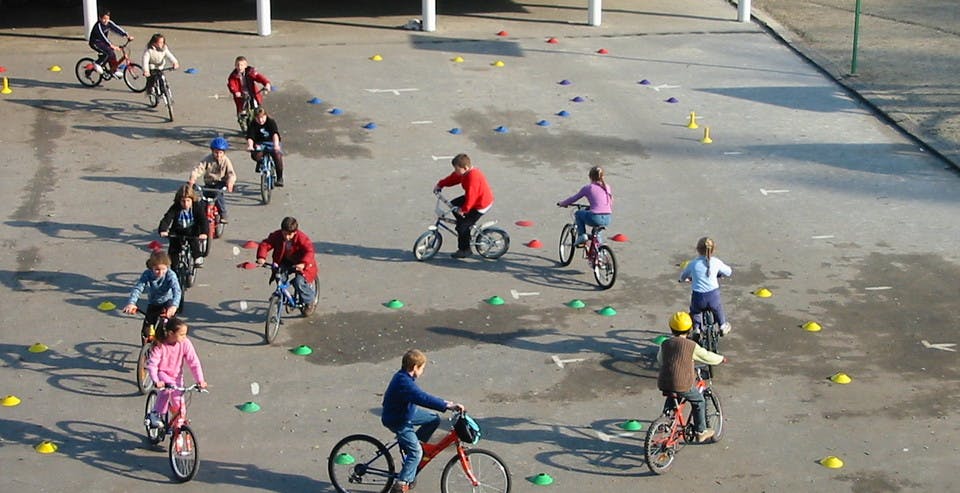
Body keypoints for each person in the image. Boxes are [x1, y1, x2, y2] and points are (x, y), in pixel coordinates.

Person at [381, 349, 465, 493]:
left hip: (407, 412)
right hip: (397, 419)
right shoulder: (404, 383)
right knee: (417, 453)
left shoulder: (405, 377)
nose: (423, 371)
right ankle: (400, 484)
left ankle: (410, 448)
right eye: (422, 368)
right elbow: (422, 398)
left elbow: (421, 397)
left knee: (433, 419)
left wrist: (447, 403)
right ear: (414, 367)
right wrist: (447, 405)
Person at [657, 311, 726, 443]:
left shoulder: (665, 343)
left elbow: (660, 360)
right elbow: (706, 356)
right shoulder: (691, 346)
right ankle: (701, 431)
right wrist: (720, 359)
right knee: (698, 401)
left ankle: (666, 418)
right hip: (682, 384)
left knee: (674, 392)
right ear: (689, 329)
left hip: (664, 381)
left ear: (671, 329)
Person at [145, 317, 207, 428]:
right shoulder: (160, 345)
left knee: (179, 404)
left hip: (177, 376)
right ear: (170, 333)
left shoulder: (185, 343)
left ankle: (177, 427)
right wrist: (156, 380)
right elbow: (152, 365)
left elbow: (194, 362)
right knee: (166, 390)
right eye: (182, 334)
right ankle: (156, 413)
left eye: (185, 334)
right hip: (163, 374)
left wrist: (200, 380)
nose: (185, 337)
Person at [433, 153, 494, 259]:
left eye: (457, 169)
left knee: (462, 227)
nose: (456, 172)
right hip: (474, 199)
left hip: (480, 204)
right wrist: (441, 184)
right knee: (454, 205)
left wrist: (464, 210)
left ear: (465, 168)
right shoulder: (464, 173)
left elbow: (472, 196)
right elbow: (454, 178)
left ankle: (465, 250)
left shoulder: (473, 177)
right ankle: (465, 226)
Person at [255, 217, 318, 315]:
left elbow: (309, 251)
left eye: (290, 234)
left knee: (299, 282)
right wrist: (261, 257)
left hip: (301, 263)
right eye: (285, 234)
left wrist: (303, 263)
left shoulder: (302, 238)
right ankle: (283, 296)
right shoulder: (277, 236)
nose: (287, 237)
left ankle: (310, 302)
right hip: (285, 261)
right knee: (280, 277)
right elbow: (266, 244)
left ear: (295, 232)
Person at [678, 237, 733, 336]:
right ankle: (722, 326)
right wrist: (720, 274)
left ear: (697, 249)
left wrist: (684, 279)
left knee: (695, 311)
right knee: (718, 308)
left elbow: (683, 276)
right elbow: (729, 272)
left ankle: (697, 329)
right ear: (713, 249)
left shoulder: (693, 264)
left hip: (698, 296)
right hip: (713, 296)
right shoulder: (716, 262)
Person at [122, 251, 182, 337]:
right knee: (146, 331)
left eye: (163, 269)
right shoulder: (147, 274)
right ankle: (147, 347)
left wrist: (174, 306)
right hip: (153, 302)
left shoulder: (170, 275)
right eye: (157, 270)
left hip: (168, 301)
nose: (160, 273)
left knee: (169, 330)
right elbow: (138, 288)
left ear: (167, 267)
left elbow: (177, 290)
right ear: (151, 267)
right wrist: (131, 303)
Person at [556, 165, 613, 246]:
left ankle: (582, 235)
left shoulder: (589, 188)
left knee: (578, 213)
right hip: (608, 218)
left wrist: (563, 203)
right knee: (597, 232)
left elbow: (574, 198)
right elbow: (607, 203)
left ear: (590, 177)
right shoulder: (607, 187)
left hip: (595, 217)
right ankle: (599, 251)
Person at [158, 185, 210, 270]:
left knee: (194, 242)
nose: (185, 204)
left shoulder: (197, 207)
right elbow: (167, 218)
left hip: (192, 230)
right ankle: (174, 268)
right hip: (178, 230)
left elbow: (203, 220)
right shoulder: (175, 207)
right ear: (179, 200)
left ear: (192, 200)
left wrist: (204, 233)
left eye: (188, 201)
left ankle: (197, 258)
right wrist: (163, 230)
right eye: (183, 201)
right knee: (174, 248)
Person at [189, 137, 236, 223]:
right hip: (209, 184)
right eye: (216, 152)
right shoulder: (208, 159)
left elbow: (231, 173)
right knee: (202, 200)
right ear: (212, 151)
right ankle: (199, 218)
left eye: (220, 153)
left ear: (224, 153)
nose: (218, 155)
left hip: (220, 183)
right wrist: (192, 179)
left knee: (218, 196)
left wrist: (230, 183)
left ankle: (223, 214)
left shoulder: (226, 161)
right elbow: (199, 168)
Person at [245, 107, 285, 186]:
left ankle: (280, 178)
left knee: (277, 155)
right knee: (256, 155)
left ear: (266, 115)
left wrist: (276, 145)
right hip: (260, 143)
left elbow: (275, 134)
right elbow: (251, 136)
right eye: (258, 118)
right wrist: (250, 146)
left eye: (262, 118)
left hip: (271, 142)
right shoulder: (253, 124)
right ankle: (260, 162)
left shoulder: (271, 122)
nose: (260, 120)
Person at [87, 10, 133, 78]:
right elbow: (102, 37)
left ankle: (113, 70)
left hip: (103, 42)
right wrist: (112, 45)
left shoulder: (109, 23)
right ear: (100, 18)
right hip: (95, 43)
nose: (106, 20)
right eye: (104, 19)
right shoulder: (98, 26)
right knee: (106, 54)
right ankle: (96, 63)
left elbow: (116, 28)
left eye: (107, 18)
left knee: (112, 53)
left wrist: (126, 35)